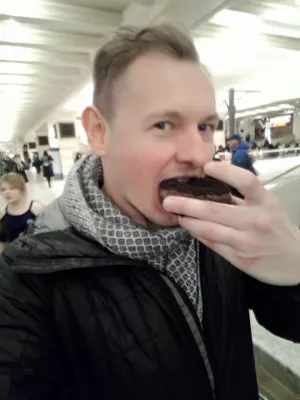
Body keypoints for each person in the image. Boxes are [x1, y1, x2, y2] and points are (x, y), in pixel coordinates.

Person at [0, 24, 300, 400]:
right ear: (99, 133)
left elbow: (290, 324)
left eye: (205, 126)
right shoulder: (29, 277)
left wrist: (296, 269)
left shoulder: (226, 219)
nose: (198, 153)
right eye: (163, 124)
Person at [0, 173, 43, 251]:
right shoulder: (4, 213)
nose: (7, 192)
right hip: (14, 258)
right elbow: (3, 241)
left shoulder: (35, 208)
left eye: (12, 188)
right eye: (3, 189)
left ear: (21, 189)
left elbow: (50, 234)